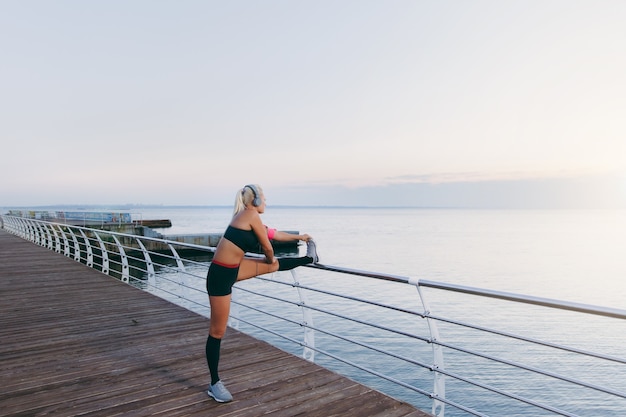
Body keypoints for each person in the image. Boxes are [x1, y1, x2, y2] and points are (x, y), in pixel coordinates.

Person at [205, 184, 319, 403]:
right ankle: (214, 383)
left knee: (273, 265)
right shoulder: (249, 215)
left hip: (234, 268)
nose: (266, 202)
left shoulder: (248, 216)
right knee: (217, 331)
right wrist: (270, 259)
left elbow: (274, 234)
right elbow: (268, 247)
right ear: (254, 201)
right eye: (264, 198)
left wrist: (301, 238)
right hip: (220, 276)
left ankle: (309, 258)